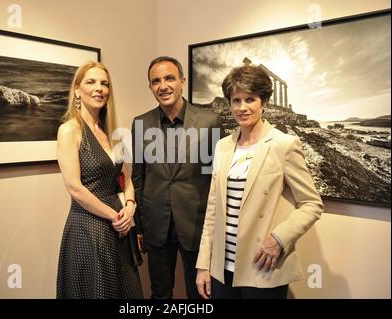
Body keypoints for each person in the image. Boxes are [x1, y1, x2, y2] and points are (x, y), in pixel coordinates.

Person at [196, 64, 324, 299]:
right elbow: (213, 210)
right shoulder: (223, 146)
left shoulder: (283, 145)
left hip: (262, 266)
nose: (242, 107)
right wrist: (204, 264)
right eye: (236, 100)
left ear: (264, 101)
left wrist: (279, 238)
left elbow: (312, 204)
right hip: (222, 269)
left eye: (250, 99)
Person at [131, 56, 223, 299]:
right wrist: (140, 226)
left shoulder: (210, 122)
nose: (163, 86)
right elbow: (138, 178)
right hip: (156, 225)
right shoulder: (140, 123)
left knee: (200, 293)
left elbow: (216, 179)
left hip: (197, 225)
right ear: (150, 87)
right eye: (156, 81)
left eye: (169, 78)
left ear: (182, 81)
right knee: (160, 293)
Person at [56, 61, 143, 299]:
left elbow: (125, 177)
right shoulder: (69, 130)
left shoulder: (111, 132)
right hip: (88, 229)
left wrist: (130, 206)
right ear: (77, 89)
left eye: (104, 83)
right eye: (91, 82)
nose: (99, 89)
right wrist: (115, 216)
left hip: (119, 227)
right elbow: (75, 188)